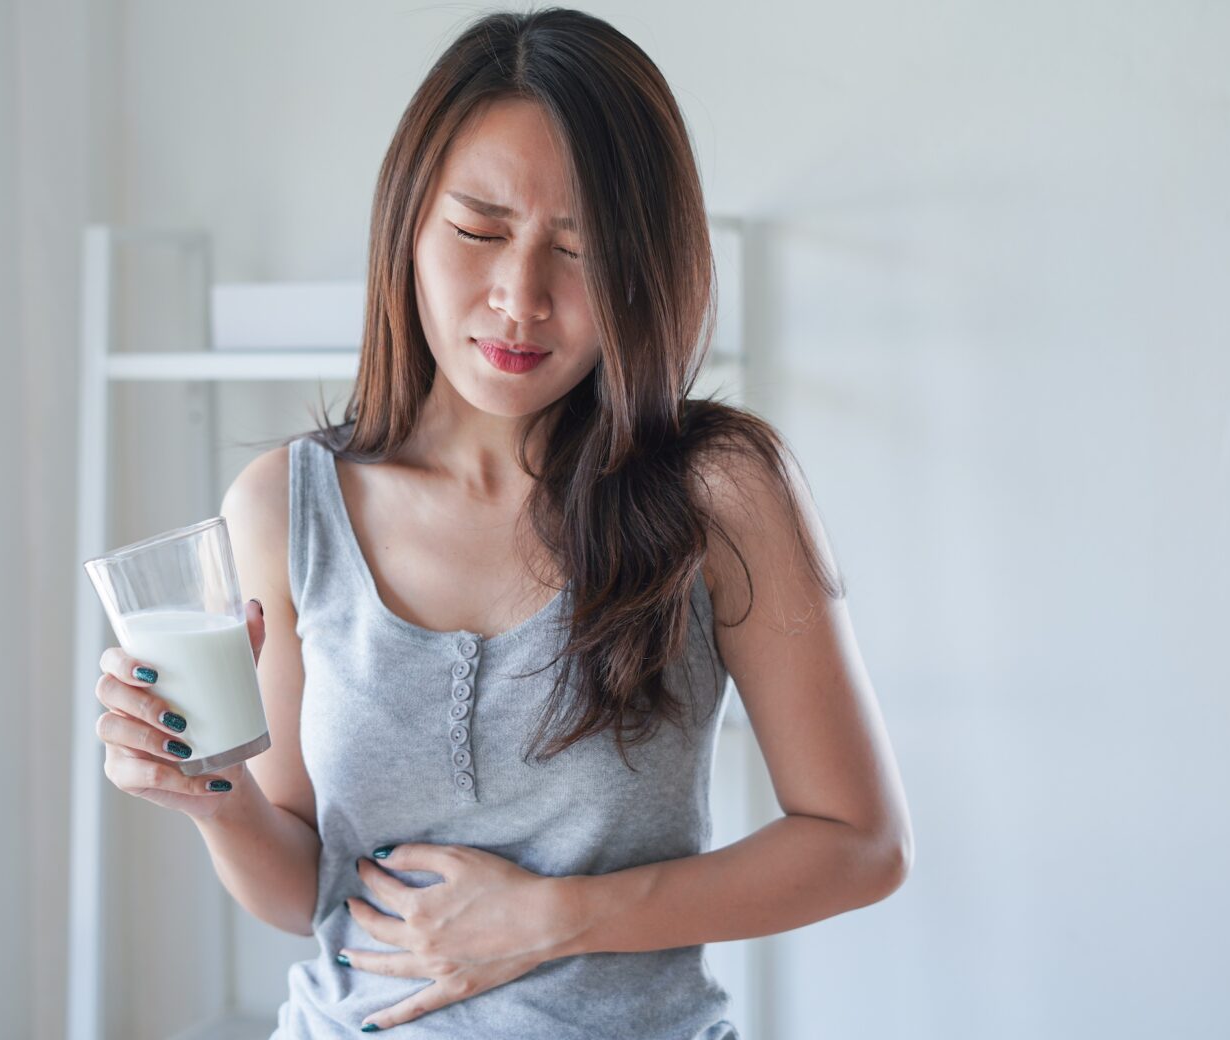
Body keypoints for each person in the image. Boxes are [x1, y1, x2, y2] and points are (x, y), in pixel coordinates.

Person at [92, 7, 912, 1036]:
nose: (520, 297)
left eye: (580, 251)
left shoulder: (718, 491)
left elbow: (860, 841)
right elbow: (309, 889)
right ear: (408, 225)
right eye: (480, 231)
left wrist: (555, 917)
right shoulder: (282, 506)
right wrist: (214, 796)